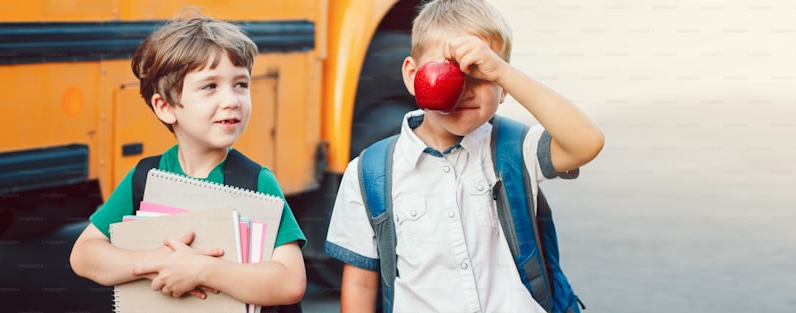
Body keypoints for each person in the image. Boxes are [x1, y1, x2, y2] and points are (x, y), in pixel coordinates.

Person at [324, 0, 605, 312]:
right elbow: (361, 281)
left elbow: (586, 143)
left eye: (481, 74)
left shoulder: (515, 149)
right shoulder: (370, 173)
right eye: (447, 72)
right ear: (412, 75)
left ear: (503, 86)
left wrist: (502, 71)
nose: (463, 89)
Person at [68, 13, 307, 309]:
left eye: (240, 84)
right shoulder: (146, 177)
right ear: (166, 107)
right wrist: (157, 261)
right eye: (210, 87)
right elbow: (84, 255)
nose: (231, 99)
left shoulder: (255, 181)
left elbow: (289, 281)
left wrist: (203, 270)